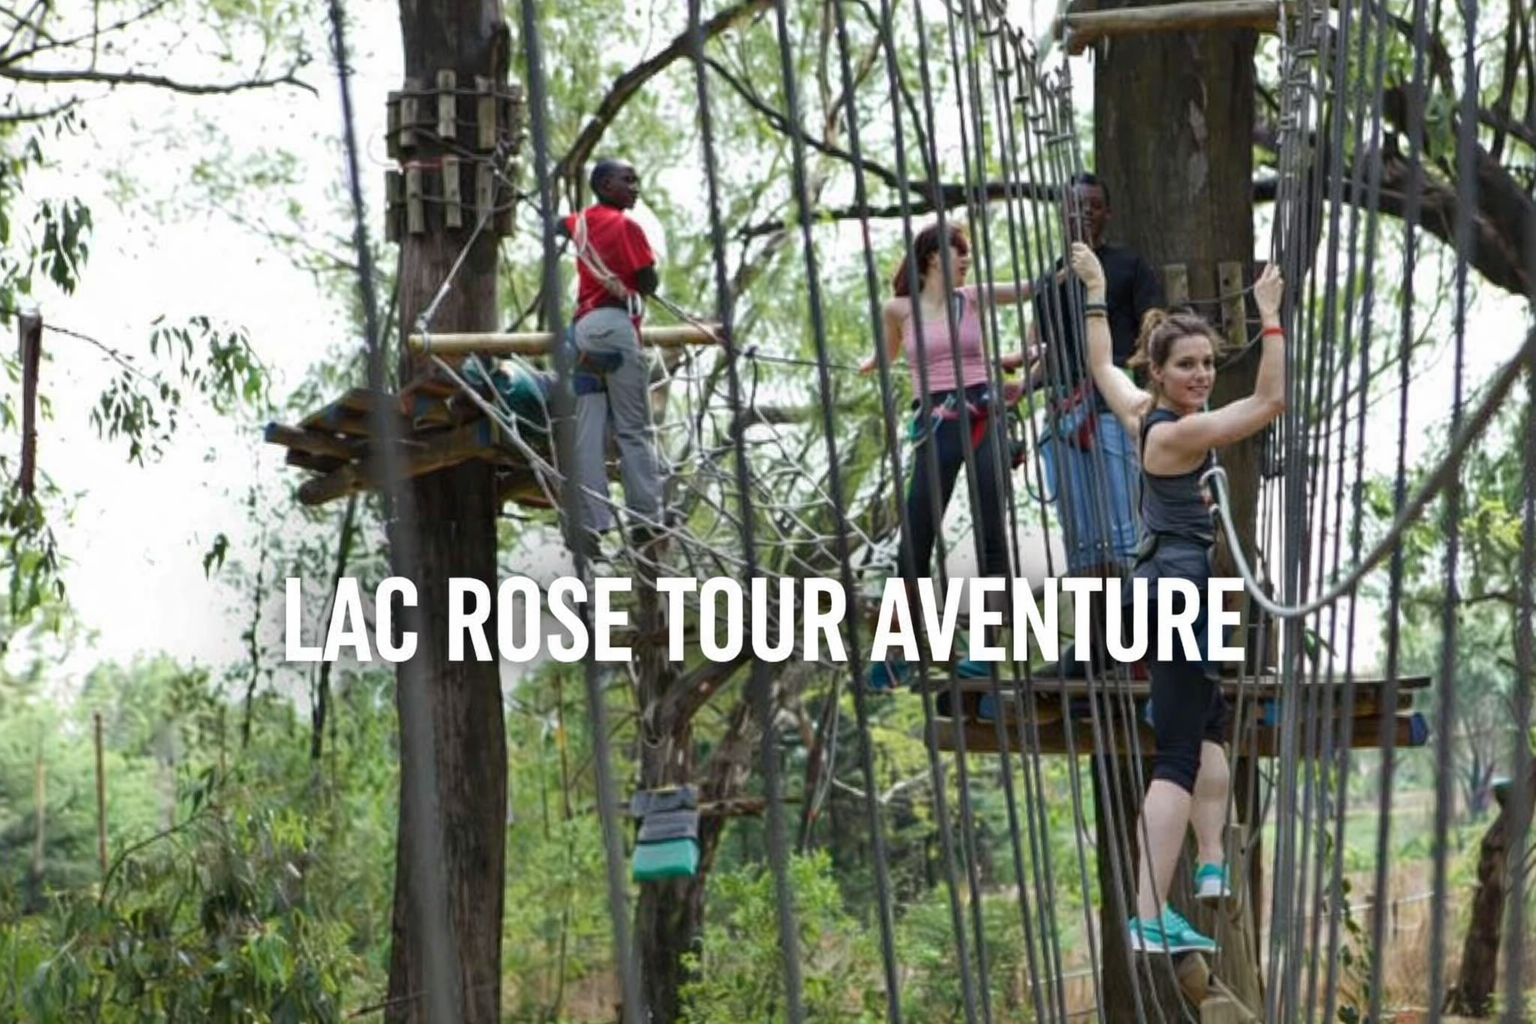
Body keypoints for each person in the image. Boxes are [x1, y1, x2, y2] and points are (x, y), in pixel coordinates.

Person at [1070, 241, 1286, 955]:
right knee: (1179, 755)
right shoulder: (1183, 434)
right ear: (1159, 373)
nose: (1200, 375)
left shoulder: (1142, 416)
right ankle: (1147, 912)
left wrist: (1098, 291)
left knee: (1210, 725)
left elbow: (1101, 363)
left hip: (1162, 592)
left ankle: (1214, 862)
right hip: (1178, 595)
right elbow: (1270, 401)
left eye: (1205, 364)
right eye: (1186, 366)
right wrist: (1270, 320)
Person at [861, 221, 1041, 681]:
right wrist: (866, 364)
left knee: (991, 536)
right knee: (915, 539)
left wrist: (1074, 268)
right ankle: (895, 651)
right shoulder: (897, 308)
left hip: (983, 416)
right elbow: (887, 354)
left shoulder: (972, 298)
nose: (967, 263)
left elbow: (1028, 287)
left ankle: (985, 651)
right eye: (961, 254)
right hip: (936, 423)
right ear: (936, 256)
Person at [1034, 173, 1162, 667]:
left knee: (1125, 533)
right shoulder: (1049, 282)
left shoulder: (1128, 266)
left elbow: (1156, 329)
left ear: (1106, 212)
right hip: (1066, 421)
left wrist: (1121, 372)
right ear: (1062, 213)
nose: (1084, 213)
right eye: (1075, 205)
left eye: (1093, 205)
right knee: (1084, 542)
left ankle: (1138, 646)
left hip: (1112, 414)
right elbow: (1054, 352)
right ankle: (1098, 644)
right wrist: (1022, 387)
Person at [557, 158, 665, 555]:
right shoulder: (628, 227)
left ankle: (591, 521)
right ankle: (644, 518)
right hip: (617, 330)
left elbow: (559, 226)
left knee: (587, 430)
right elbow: (648, 282)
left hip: (584, 332)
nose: (636, 186)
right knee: (633, 430)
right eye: (628, 179)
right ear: (604, 184)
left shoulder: (580, 222)